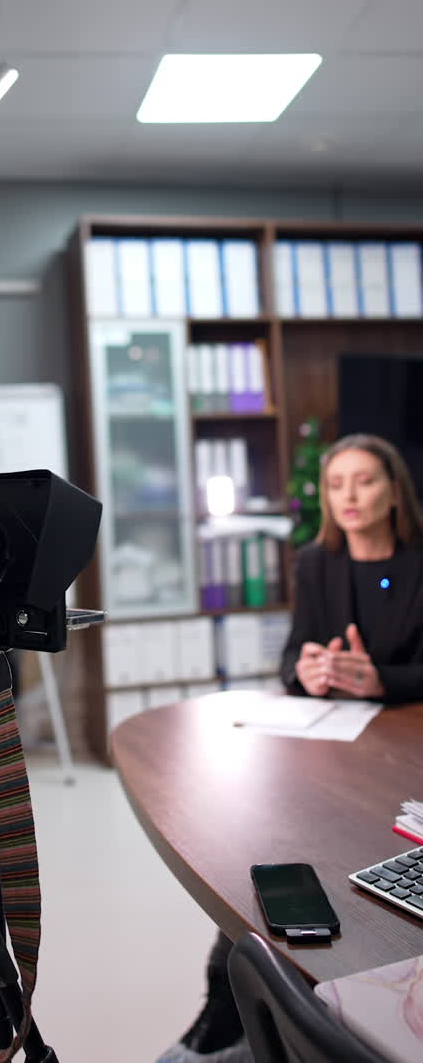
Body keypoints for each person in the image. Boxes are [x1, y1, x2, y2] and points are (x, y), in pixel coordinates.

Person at [159, 433, 423, 1063]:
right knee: (276, 866)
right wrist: (307, 671)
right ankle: (225, 1020)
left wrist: (382, 679)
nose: (349, 496)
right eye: (336, 485)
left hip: (405, 746)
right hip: (333, 748)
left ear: (393, 491)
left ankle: (259, 1026)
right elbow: (292, 656)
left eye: (364, 481)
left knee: (359, 882)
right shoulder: (315, 563)